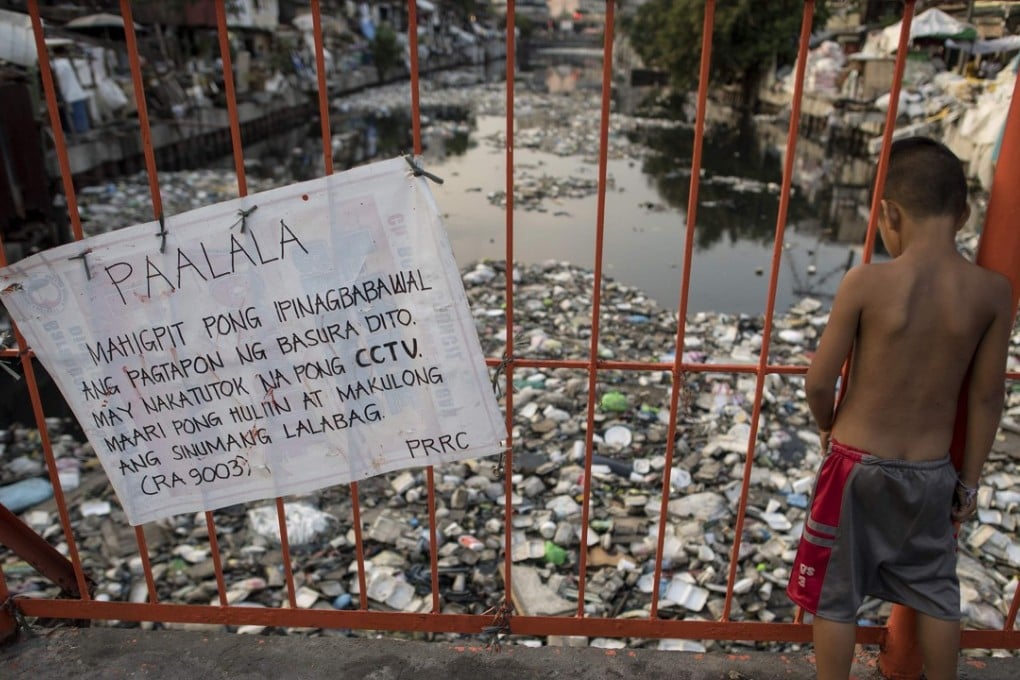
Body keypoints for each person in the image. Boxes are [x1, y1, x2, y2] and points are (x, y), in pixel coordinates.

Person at [785, 137, 1014, 680]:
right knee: (935, 590)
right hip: (933, 473)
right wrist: (969, 483)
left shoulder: (866, 281)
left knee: (837, 594)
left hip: (855, 467)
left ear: (888, 213)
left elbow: (820, 381)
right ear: (963, 213)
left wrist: (825, 426)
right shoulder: (992, 294)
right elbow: (986, 397)